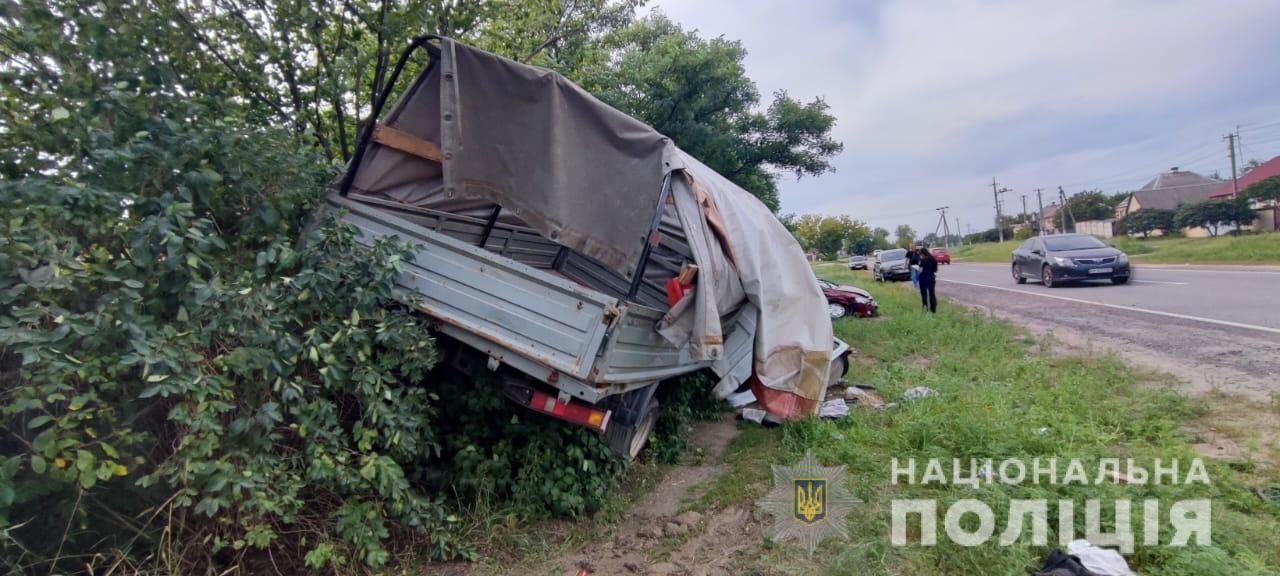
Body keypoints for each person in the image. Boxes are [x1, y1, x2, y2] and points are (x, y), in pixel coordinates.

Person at [918, 247, 938, 314]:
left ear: (922, 254)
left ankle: (925, 308)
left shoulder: (923, 260)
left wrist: (918, 269)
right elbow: (935, 270)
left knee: (924, 294)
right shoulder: (933, 259)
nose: (921, 256)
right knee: (932, 294)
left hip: (923, 279)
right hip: (931, 278)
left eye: (920, 254)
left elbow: (920, 270)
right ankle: (933, 310)